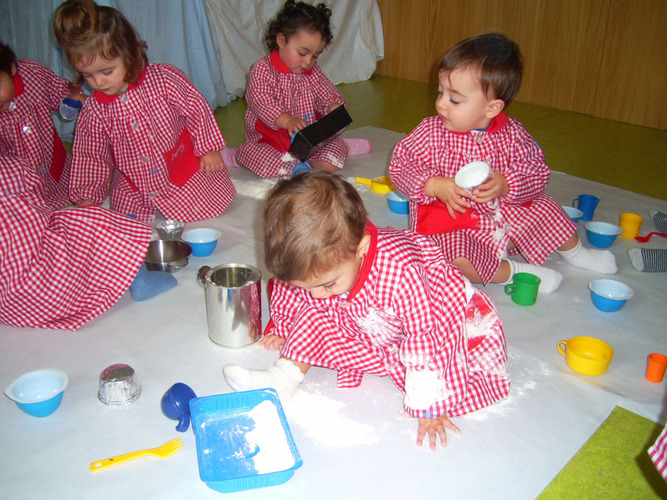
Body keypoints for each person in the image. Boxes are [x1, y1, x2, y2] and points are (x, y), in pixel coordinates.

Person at [223, 172, 510, 450]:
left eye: (326, 284)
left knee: (447, 364)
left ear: (361, 247)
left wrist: (428, 403)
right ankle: (283, 378)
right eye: (307, 285)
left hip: (439, 321)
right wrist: (284, 327)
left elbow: (426, 337)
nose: (314, 295)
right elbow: (291, 288)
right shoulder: (326, 270)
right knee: (314, 310)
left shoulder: (402, 273)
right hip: (376, 321)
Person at [389, 33, 617, 293]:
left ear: (492, 108)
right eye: (440, 92)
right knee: (454, 260)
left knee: (548, 208)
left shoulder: (512, 134)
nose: (440, 104)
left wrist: (507, 183)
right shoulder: (430, 132)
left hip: (502, 218)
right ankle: (514, 272)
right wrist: (433, 185)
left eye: (454, 99)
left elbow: (537, 171)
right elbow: (400, 164)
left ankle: (577, 254)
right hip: (453, 224)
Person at [53, 0, 236, 223]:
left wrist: (208, 148)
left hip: (180, 167)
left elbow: (196, 108)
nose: (98, 82)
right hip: (134, 184)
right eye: (88, 75)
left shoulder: (163, 80)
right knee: (131, 226)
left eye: (107, 71)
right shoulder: (94, 111)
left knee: (204, 211)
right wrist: (87, 197)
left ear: (128, 53)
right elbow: (92, 155)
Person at [0, 154, 168, 330]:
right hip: (47, 293)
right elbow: (40, 209)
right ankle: (140, 279)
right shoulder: (11, 167)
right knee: (92, 221)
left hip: (10, 307)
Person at [222, 1, 371, 178]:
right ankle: (235, 156)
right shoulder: (263, 69)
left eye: (315, 56)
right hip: (270, 143)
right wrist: (287, 120)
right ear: (281, 40)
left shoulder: (312, 71)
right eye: (302, 53)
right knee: (266, 162)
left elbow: (327, 92)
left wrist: (334, 106)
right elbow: (260, 100)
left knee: (330, 163)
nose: (308, 62)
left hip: (309, 143)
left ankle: (341, 147)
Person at [0, 42, 85, 209]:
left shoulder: (32, 74)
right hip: (20, 185)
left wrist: (73, 98)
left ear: (11, 69)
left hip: (57, 171)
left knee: (71, 204)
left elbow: (60, 91)